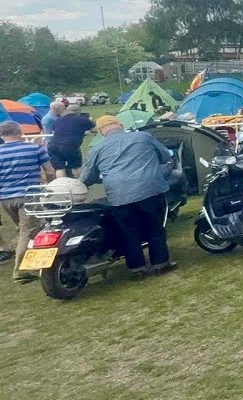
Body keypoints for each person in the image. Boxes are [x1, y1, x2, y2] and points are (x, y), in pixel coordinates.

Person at [81, 115, 177, 277]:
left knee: (128, 232)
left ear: (101, 132)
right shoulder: (143, 136)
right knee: (155, 228)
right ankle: (160, 264)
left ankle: (137, 269)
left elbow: (88, 177)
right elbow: (165, 156)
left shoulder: (97, 148)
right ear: (120, 125)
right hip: (150, 189)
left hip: (119, 196)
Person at [0, 120, 55, 282]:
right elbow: (50, 171)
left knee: (24, 228)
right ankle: (21, 271)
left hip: (6, 198)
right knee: (27, 231)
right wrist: (49, 186)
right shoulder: (35, 148)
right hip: (29, 195)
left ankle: (38, 259)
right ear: (19, 131)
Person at [47, 104, 95, 178]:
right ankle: (79, 183)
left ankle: (62, 186)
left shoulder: (58, 120)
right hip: (70, 146)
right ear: (78, 111)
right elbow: (94, 129)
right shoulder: (82, 119)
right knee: (76, 167)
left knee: (60, 168)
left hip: (53, 146)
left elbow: (57, 131)